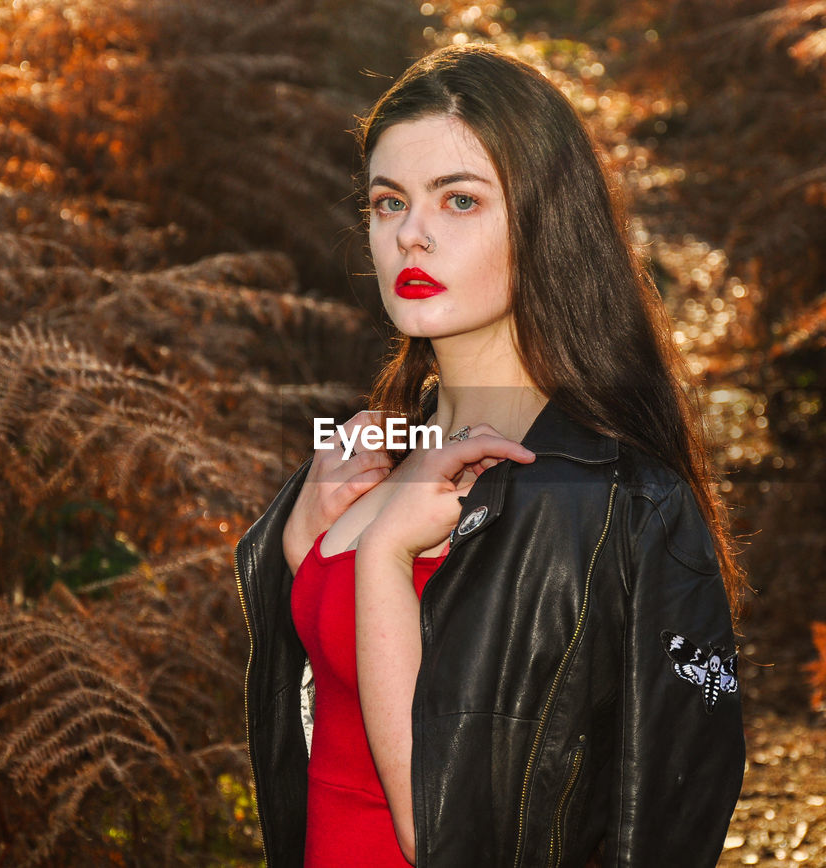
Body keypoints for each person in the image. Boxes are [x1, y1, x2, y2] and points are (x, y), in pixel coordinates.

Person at [234, 43, 746, 868]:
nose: (411, 235)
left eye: (460, 201)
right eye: (387, 202)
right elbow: (319, 741)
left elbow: (448, 835)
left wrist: (380, 561)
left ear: (546, 222)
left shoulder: (622, 501)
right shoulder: (371, 452)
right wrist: (301, 557)